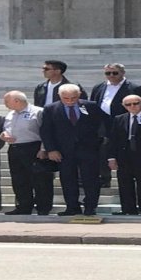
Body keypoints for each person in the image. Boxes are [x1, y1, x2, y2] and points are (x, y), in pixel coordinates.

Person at [41, 84, 107, 216]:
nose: (70, 101)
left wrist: (99, 141)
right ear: (59, 96)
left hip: (88, 149)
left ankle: (90, 207)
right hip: (64, 151)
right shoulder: (50, 109)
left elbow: (104, 123)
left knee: (91, 179)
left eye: (73, 98)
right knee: (67, 179)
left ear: (79, 95)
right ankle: (72, 207)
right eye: (66, 98)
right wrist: (51, 149)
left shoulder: (90, 106)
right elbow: (46, 131)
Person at [91, 63, 141, 188]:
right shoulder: (99, 87)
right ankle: (104, 177)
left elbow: (140, 108)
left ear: (122, 73)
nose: (111, 76)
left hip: (124, 123)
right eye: (108, 73)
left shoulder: (134, 88)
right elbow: (94, 104)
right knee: (103, 149)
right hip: (104, 124)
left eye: (115, 73)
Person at [0, 91, 52, 215]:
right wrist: (3, 135)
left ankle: (43, 207)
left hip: (33, 148)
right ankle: (23, 206)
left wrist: (44, 149)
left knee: (40, 179)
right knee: (19, 180)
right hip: (15, 148)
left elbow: (46, 131)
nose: (5, 104)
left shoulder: (37, 112)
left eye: (7, 101)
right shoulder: (10, 114)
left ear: (17, 100)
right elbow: (6, 130)